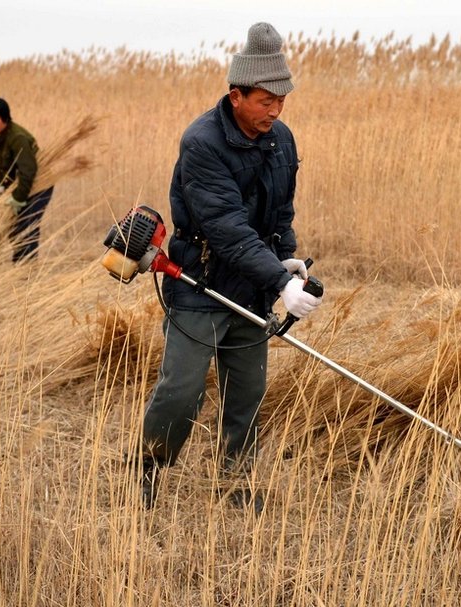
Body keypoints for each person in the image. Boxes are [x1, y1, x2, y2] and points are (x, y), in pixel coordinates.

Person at [137, 22, 322, 511]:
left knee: (247, 393)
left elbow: (279, 215)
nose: (276, 110)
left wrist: (289, 258)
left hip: (252, 284)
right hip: (198, 280)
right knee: (181, 390)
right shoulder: (201, 143)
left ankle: (235, 484)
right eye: (266, 101)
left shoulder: (281, 139)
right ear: (236, 95)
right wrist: (279, 280)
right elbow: (226, 228)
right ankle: (148, 471)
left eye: (282, 100)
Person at [0, 97, 54, 262]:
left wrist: (18, 198)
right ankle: (19, 267)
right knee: (14, 228)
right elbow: (0, 165)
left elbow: (29, 171)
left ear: (4, 118)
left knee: (26, 226)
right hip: (19, 183)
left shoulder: (17, 137)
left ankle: (26, 272)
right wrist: (0, 188)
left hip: (39, 184)